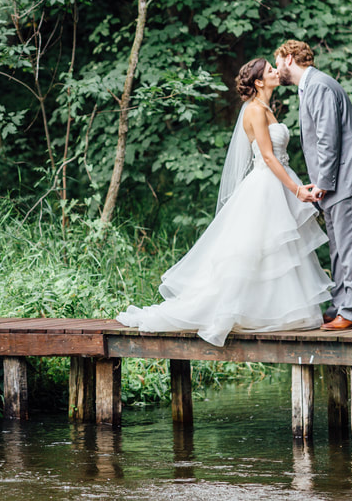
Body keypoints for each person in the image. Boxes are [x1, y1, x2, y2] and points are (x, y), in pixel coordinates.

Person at [116, 58, 332, 347]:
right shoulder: (254, 110)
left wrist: (295, 185)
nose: (275, 72)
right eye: (269, 70)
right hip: (265, 187)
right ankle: (236, 311)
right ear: (258, 82)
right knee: (255, 252)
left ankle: (277, 313)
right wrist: (296, 190)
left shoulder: (267, 108)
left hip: (277, 184)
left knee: (276, 253)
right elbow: (267, 157)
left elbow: (276, 158)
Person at [274, 40, 352, 331]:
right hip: (339, 181)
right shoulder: (311, 86)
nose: (276, 69)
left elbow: (327, 139)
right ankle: (339, 305)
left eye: (277, 62)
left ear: (289, 59)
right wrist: (321, 183)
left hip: (349, 180)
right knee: (338, 249)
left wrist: (322, 183)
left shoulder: (319, 85)